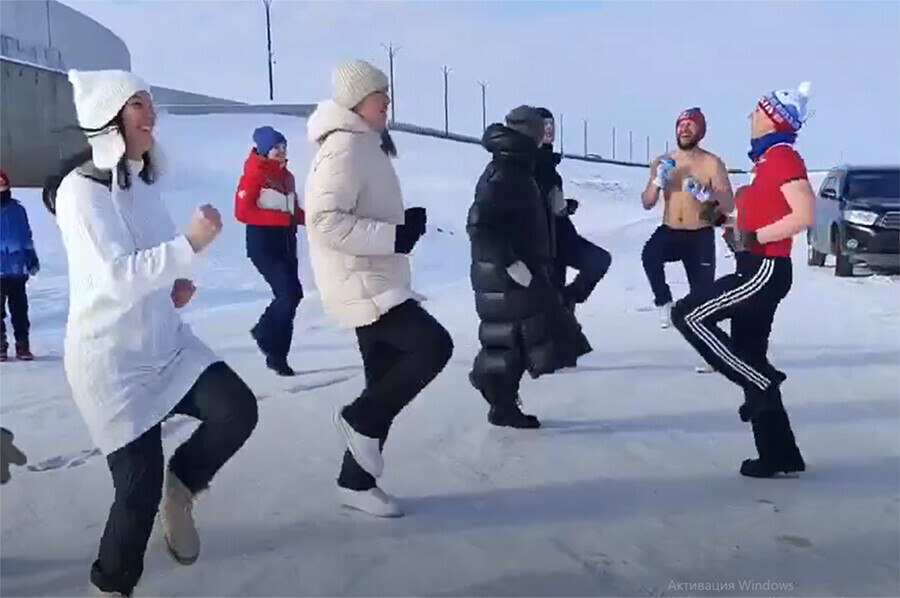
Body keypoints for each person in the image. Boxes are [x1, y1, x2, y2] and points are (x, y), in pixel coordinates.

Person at [43, 69, 258, 597]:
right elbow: (117, 277)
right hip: (111, 362)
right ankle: (112, 587)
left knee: (236, 409)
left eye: (149, 101)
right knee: (135, 490)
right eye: (137, 104)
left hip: (166, 345)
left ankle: (181, 491)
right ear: (109, 119)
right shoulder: (80, 193)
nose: (150, 112)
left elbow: (157, 262)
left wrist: (179, 283)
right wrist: (188, 244)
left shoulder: (137, 184)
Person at [304, 59, 453, 518]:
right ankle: (357, 420)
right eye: (379, 94)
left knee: (383, 378)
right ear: (356, 102)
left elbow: (360, 207)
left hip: (376, 274)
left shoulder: (364, 143)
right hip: (362, 280)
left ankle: (356, 482)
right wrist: (393, 237)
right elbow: (324, 220)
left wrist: (403, 226)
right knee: (432, 347)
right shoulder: (345, 147)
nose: (387, 101)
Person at [671, 82, 814, 478]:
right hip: (754, 265)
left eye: (757, 110)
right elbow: (751, 223)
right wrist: (720, 218)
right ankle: (780, 455)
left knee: (689, 315)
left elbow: (803, 215)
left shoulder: (783, 157)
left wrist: (754, 238)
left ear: (773, 118)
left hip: (765, 269)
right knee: (749, 353)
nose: (750, 116)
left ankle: (764, 383)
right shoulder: (767, 162)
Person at [467, 105, 592, 429]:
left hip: (519, 270)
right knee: (515, 340)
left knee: (517, 339)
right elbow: (481, 225)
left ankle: (500, 401)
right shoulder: (505, 171)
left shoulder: (517, 167)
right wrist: (511, 264)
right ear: (530, 135)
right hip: (505, 273)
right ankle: (497, 396)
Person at [640, 108, 734, 329]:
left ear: (700, 131)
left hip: (699, 234)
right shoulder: (663, 162)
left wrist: (706, 194)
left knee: (704, 297)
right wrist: (657, 182)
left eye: (690, 125)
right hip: (670, 230)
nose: (684, 129)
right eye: (681, 125)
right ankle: (664, 302)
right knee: (650, 255)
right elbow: (647, 202)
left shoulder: (712, 163)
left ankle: (713, 354)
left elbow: (729, 205)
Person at [235, 125, 305, 376]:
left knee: (293, 295)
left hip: (287, 242)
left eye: (284, 146)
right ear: (264, 150)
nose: (281, 151)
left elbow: (292, 212)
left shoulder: (288, 177)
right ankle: (270, 344)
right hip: (263, 244)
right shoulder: (254, 175)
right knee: (287, 294)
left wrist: (312, 219)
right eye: (276, 147)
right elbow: (243, 212)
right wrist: (280, 219)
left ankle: (273, 347)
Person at [533, 108, 611, 315]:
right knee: (553, 301)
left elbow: (551, 202)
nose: (549, 129)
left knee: (599, 260)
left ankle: (567, 300)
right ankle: (564, 304)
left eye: (551, 124)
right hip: (547, 243)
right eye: (543, 124)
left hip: (562, 236)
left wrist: (565, 206)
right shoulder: (532, 163)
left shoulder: (548, 161)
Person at [0, 169, 39, 361]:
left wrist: (31, 258)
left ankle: (23, 345)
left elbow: (26, 236)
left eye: (3, 186)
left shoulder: (18, 210)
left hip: (16, 271)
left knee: (20, 311)